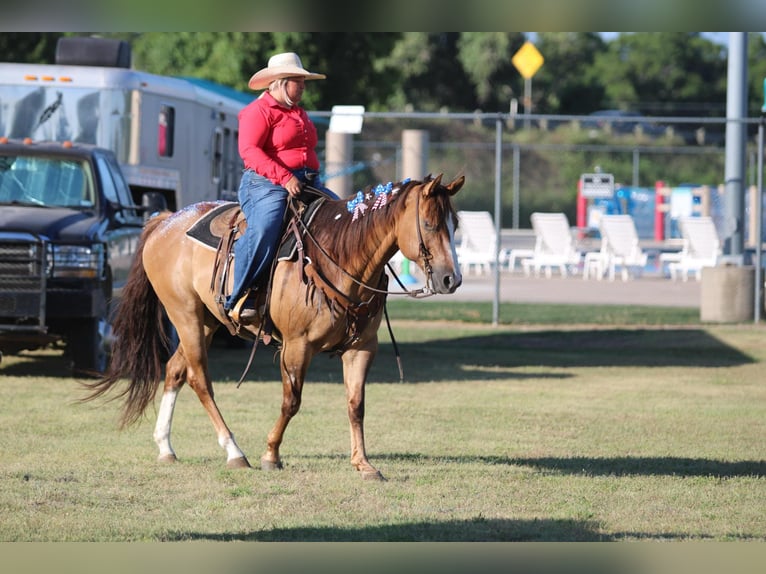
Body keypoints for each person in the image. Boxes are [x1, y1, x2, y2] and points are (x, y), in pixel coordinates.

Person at [225, 52, 339, 322]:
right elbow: (249, 152)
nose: (303, 86)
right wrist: (285, 177)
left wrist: (303, 176)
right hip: (265, 183)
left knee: (341, 216)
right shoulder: (257, 111)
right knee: (267, 226)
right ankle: (242, 293)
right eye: (298, 81)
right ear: (279, 82)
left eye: (303, 81)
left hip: (307, 182)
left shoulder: (298, 112)